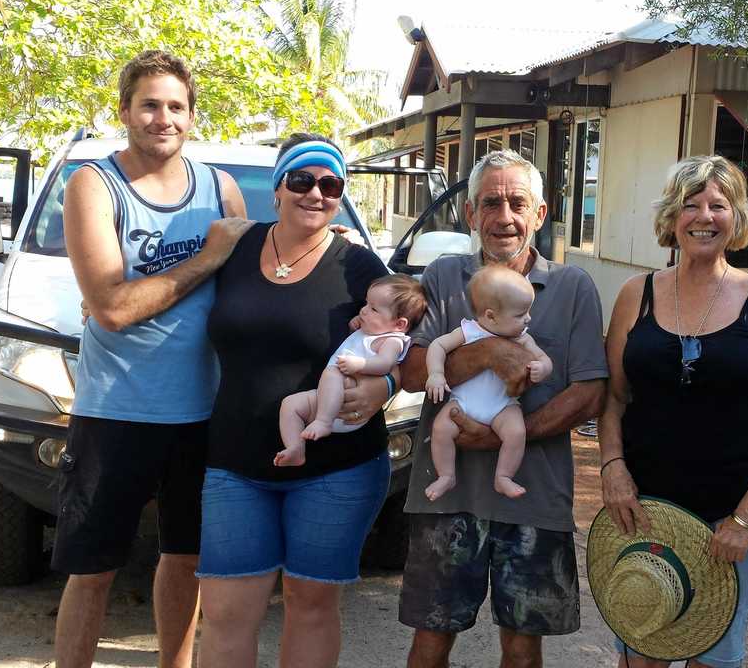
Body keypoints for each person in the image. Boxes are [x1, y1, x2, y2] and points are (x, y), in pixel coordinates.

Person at [56, 50, 251, 668]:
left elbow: (252, 285)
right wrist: (206, 259)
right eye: (149, 104)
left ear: (192, 117)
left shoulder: (219, 188)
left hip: (203, 410)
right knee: (92, 568)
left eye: (175, 106)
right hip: (117, 409)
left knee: (187, 557)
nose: (162, 118)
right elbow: (111, 307)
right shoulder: (93, 184)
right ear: (125, 112)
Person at [598, 155, 748, 668]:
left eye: (719, 205)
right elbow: (613, 398)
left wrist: (747, 517)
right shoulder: (637, 296)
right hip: (645, 509)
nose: (704, 216)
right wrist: (612, 468)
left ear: (736, 218)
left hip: (730, 517)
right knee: (642, 650)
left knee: (712, 655)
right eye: (691, 204)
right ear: (672, 217)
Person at [397, 149, 609, 668]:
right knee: (429, 642)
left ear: (539, 214)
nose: (504, 217)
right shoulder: (446, 277)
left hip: (533, 497)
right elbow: (412, 371)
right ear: (470, 215)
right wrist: (492, 351)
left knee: (521, 647)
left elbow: (589, 393)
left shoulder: (570, 287)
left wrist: (503, 436)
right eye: (490, 203)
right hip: (445, 498)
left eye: (518, 203)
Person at [196, 133, 396, 668]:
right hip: (236, 461)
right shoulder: (232, 247)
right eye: (302, 180)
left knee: (310, 604)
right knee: (224, 610)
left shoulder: (359, 266)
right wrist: (99, 307)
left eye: (331, 185)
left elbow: (411, 346)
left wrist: (387, 386)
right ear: (279, 189)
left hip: (337, 467)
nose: (316, 194)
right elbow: (174, 290)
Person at [423, 264, 552, 501]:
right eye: (520, 314)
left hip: (503, 406)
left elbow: (544, 358)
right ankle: (446, 475)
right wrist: (436, 374)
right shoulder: (469, 331)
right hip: (463, 403)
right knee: (441, 429)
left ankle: (503, 476)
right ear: (490, 316)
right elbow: (437, 346)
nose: (528, 318)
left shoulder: (522, 337)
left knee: (516, 432)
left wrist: (541, 368)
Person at [276, 273, 426, 467]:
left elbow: (384, 364)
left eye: (373, 309)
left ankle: (323, 422)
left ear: (399, 324)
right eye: (366, 304)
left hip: (345, 406)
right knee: (290, 405)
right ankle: (295, 449)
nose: (363, 311)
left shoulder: (391, 341)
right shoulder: (373, 330)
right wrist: (358, 323)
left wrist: (359, 365)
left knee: (332, 372)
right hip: (329, 399)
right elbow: (359, 342)